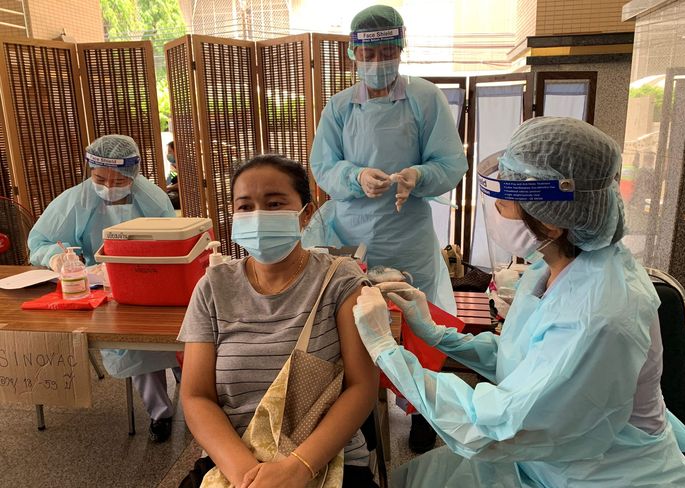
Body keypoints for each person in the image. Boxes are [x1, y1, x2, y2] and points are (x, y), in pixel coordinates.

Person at [352, 117, 685, 486]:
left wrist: (384, 348)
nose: (496, 216)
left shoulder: (599, 317)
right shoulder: (556, 265)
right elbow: (525, 357)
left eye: (503, 206)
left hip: (601, 476)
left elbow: (493, 428)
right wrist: (438, 335)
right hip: (550, 460)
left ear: (550, 223)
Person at [305, 4, 466, 453]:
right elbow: (323, 166)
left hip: (406, 232)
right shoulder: (338, 108)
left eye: (387, 51)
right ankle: (363, 413)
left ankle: (420, 411)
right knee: (354, 327)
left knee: (416, 321)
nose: (378, 64)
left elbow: (451, 162)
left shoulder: (425, 99)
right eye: (368, 54)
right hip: (350, 233)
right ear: (353, 54)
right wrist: (355, 177)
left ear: (401, 48)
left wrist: (418, 176)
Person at [177, 155, 379, 488]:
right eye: (245, 207)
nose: (258, 216)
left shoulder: (339, 280)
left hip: (327, 460)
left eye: (274, 204)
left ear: (306, 214)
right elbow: (196, 396)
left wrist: (299, 466)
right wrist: (246, 473)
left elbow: (362, 386)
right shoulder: (213, 287)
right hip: (232, 462)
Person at [28, 134, 180, 443]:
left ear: (134, 175)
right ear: (90, 171)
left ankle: (200, 402)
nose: (108, 187)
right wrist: (58, 257)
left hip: (153, 284)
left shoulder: (152, 199)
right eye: (100, 178)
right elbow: (39, 241)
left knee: (182, 344)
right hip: (99, 289)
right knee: (139, 346)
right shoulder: (75, 200)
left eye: (118, 180)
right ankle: (160, 413)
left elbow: (174, 239)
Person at [166, 141, 180, 210]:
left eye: (170, 151)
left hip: (182, 197)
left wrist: (168, 188)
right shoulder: (173, 166)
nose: (168, 154)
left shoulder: (185, 166)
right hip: (173, 192)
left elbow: (182, 185)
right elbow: (170, 181)